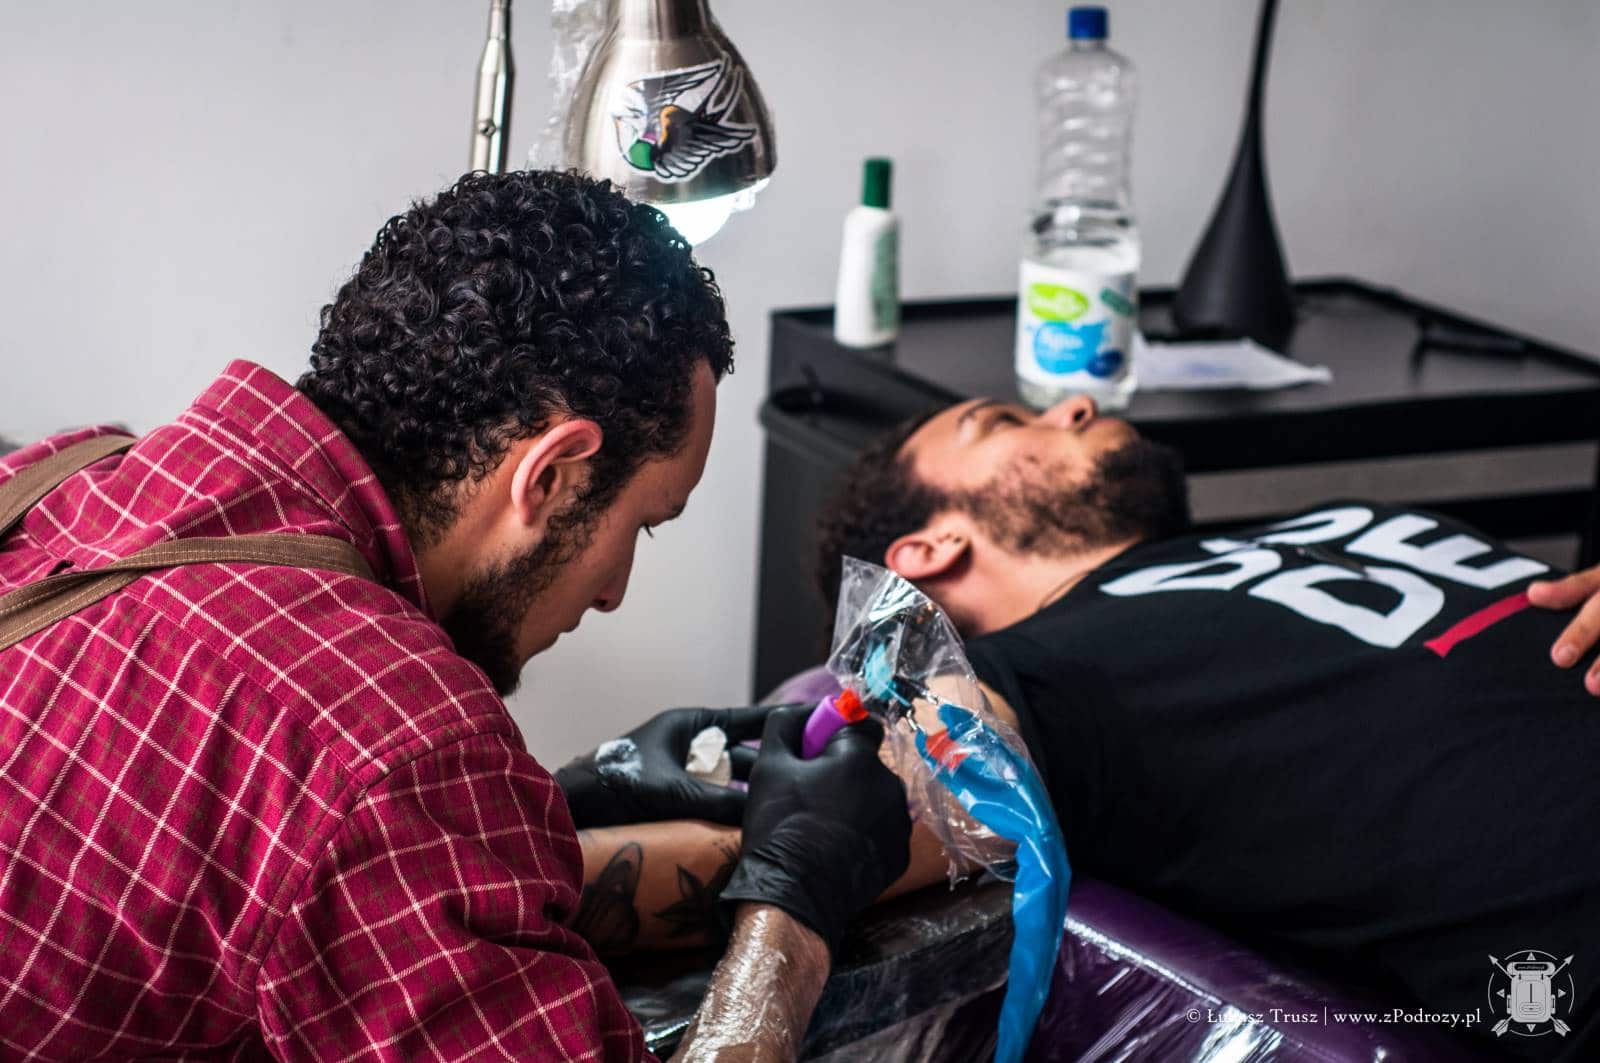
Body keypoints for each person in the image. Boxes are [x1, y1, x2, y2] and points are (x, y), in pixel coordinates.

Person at [0, 169, 910, 1060]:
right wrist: (792, 906)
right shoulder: (388, 741)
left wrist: (544, 806)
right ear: (549, 475)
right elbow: (348, 784)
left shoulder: (73, 474)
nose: (614, 591)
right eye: (643, 524)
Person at [804, 393, 1600, 1059]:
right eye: (1004, 422)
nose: (1076, 403)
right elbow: (851, 821)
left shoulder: (1317, 522)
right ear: (933, 545)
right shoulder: (1045, 670)